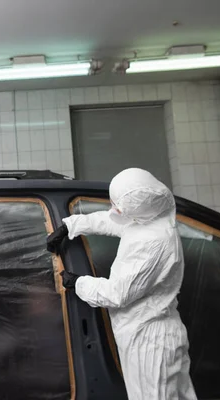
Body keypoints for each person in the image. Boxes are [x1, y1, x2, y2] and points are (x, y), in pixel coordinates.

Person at [46, 168, 197, 400]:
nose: (114, 209)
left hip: (151, 343)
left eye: (119, 206)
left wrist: (78, 283)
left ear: (137, 209)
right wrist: (72, 225)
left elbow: (117, 294)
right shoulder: (150, 216)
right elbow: (113, 221)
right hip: (148, 332)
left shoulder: (153, 243)